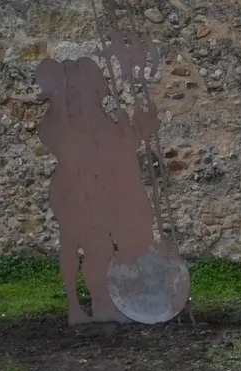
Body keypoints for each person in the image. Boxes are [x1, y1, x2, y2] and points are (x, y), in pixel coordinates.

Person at [36, 56, 158, 324]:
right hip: (77, 190)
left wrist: (138, 130)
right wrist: (135, 133)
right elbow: (106, 149)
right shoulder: (69, 119)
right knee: (92, 246)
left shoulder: (83, 117)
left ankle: (91, 305)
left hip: (82, 187)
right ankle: (94, 306)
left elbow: (115, 148)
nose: (100, 91)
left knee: (86, 246)